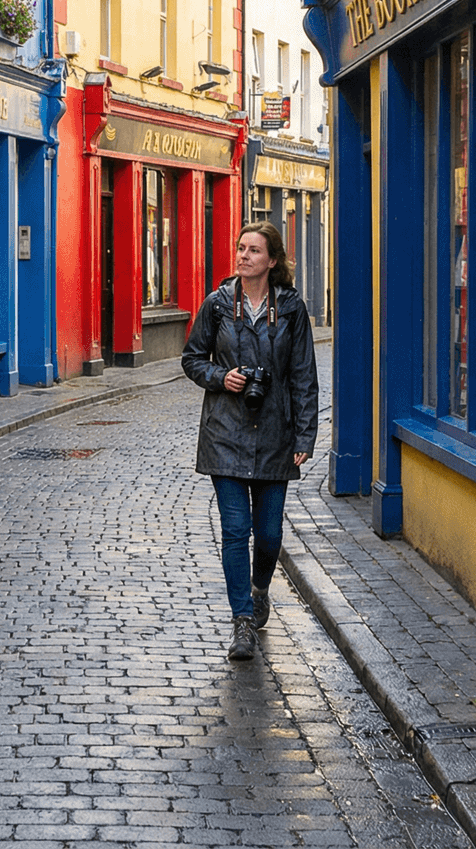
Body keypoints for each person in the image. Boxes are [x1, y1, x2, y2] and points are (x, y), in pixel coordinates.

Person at [181, 221, 319, 662]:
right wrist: (223, 377)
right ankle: (243, 622)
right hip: (225, 434)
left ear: (272, 260)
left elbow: (303, 377)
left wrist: (305, 434)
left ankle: (261, 588)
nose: (243, 256)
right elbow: (191, 359)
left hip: (276, 435)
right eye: (240, 248)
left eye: (253, 250)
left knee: (270, 535)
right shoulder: (218, 305)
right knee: (236, 531)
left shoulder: (292, 310)